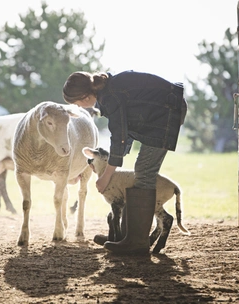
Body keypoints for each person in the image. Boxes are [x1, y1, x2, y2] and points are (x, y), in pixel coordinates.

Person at [63, 70, 187, 255]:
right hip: (162, 110)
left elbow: (120, 136)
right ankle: (125, 236)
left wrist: (106, 176)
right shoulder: (108, 92)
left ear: (84, 96)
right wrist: (117, 157)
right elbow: (125, 130)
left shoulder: (110, 96)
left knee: (144, 170)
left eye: (76, 103)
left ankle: (136, 242)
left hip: (167, 112)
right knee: (142, 170)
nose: (79, 107)